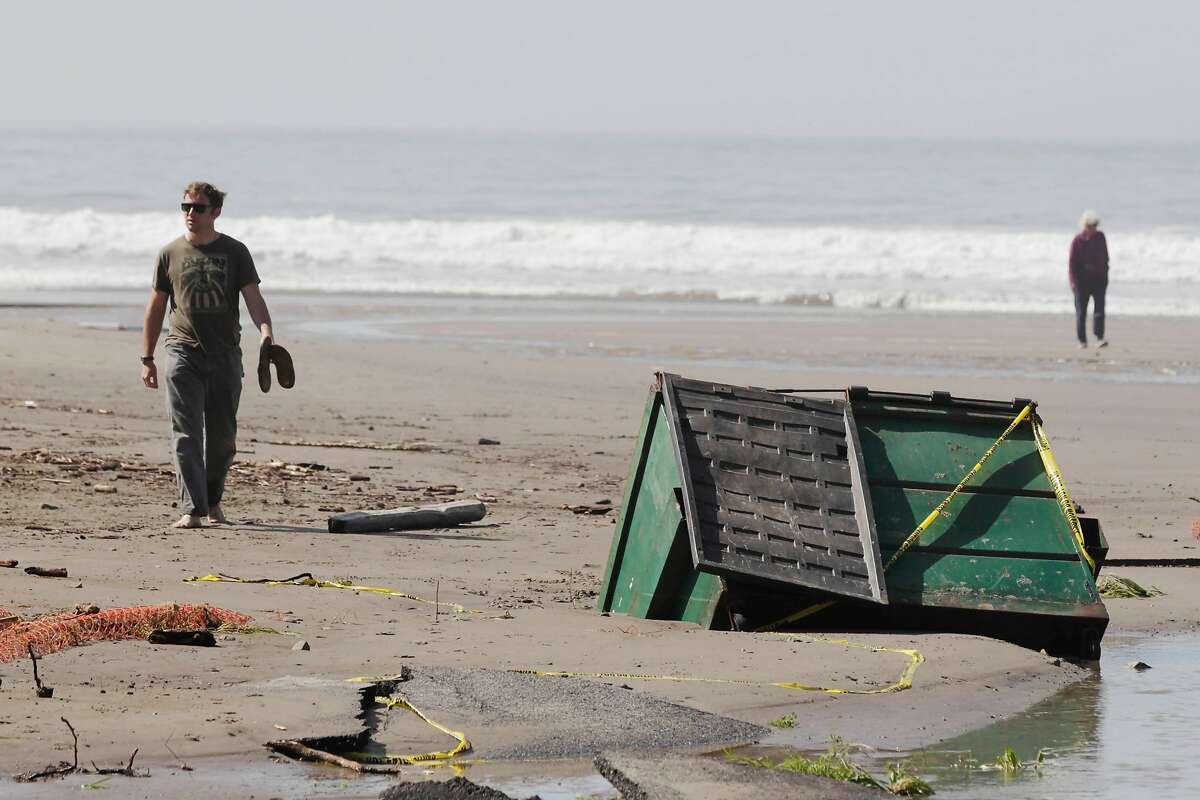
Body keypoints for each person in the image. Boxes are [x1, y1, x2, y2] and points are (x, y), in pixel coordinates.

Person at [140, 181, 275, 528]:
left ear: (215, 212)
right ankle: (192, 509)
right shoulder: (169, 254)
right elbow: (155, 310)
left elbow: (254, 300)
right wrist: (147, 358)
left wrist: (267, 335)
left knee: (223, 438)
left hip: (225, 356)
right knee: (186, 434)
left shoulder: (235, 252)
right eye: (185, 207)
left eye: (198, 208)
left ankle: (213, 501)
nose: (190, 213)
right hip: (182, 352)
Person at [1069, 210, 1109, 349]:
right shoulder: (1077, 241)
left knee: (1099, 311)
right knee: (1081, 313)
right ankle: (1082, 341)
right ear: (1084, 226)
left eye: (1095, 226)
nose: (1093, 229)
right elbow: (1072, 264)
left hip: (1098, 280)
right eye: (1090, 226)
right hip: (1081, 282)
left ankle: (1099, 338)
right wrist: (1073, 283)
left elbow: (1105, 258)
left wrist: (1105, 277)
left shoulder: (1100, 237)